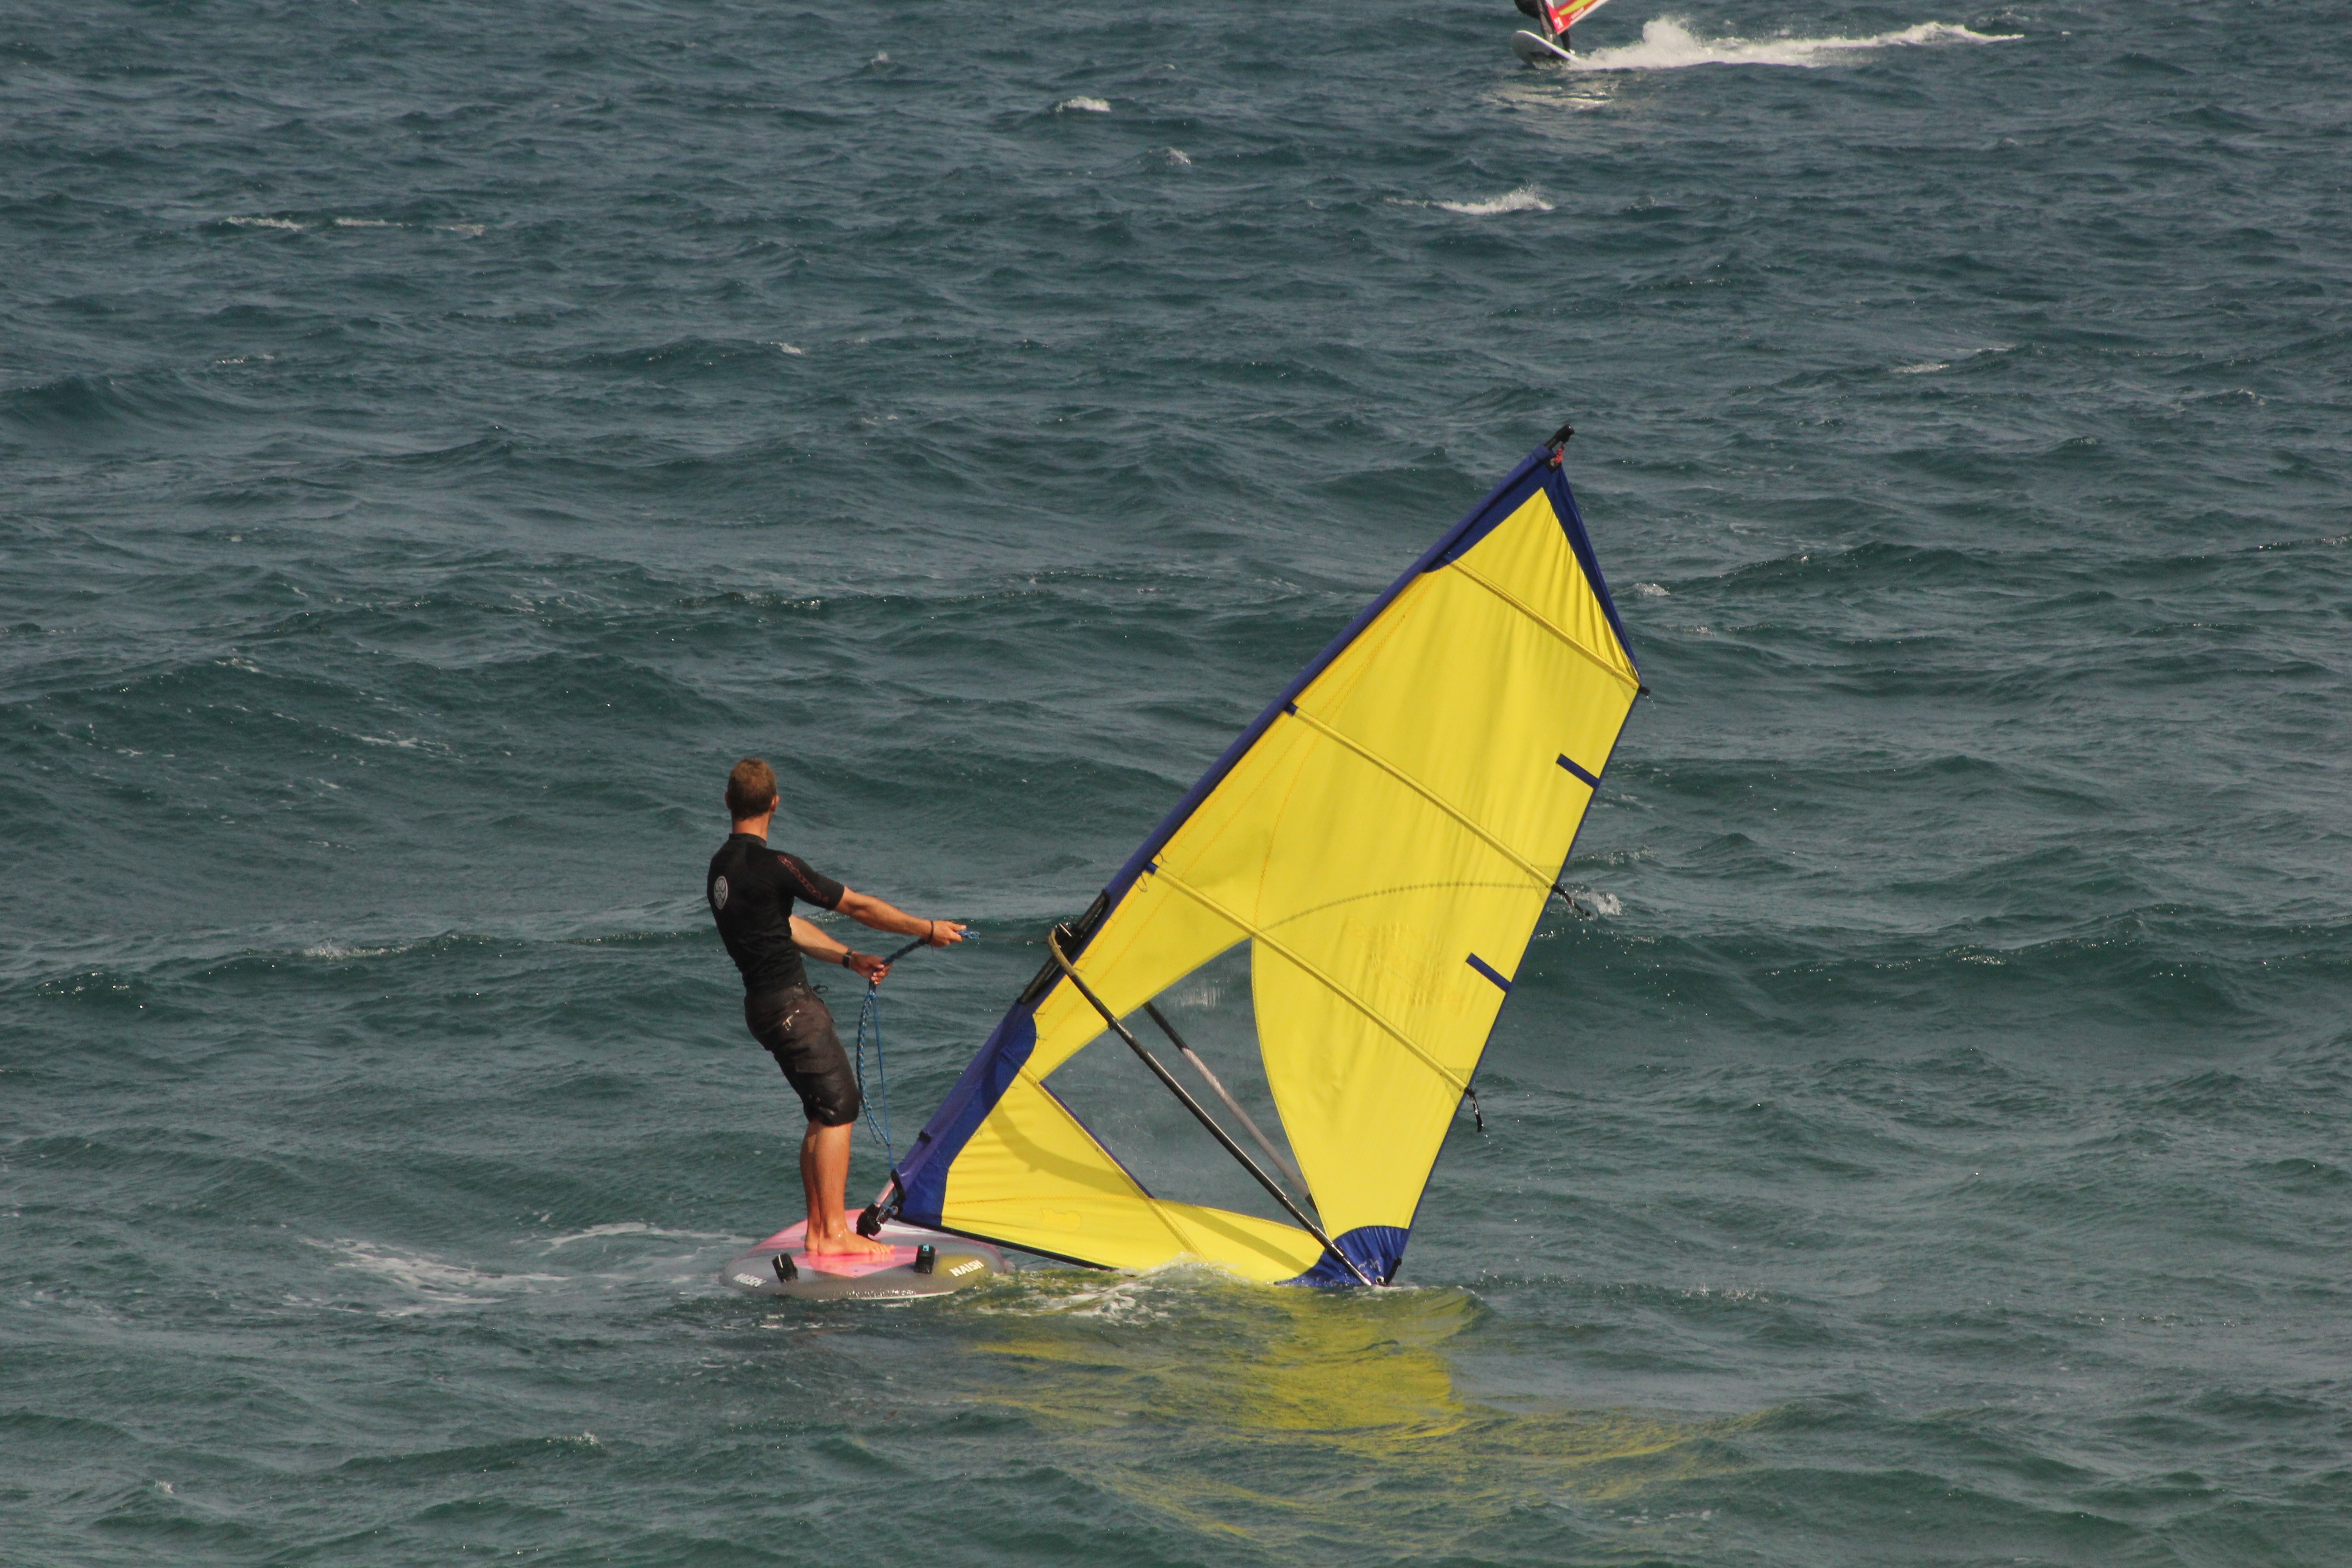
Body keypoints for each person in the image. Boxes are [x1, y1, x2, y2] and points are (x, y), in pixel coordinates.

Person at [706, 757, 965, 1256]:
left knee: (822, 1112)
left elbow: (782, 928)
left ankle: (818, 1229)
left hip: (762, 1007)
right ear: (775, 804)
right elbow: (858, 906)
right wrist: (927, 929)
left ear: (728, 803)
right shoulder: (777, 866)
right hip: (792, 1009)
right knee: (840, 1108)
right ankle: (831, 1236)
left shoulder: (722, 869)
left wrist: (848, 959)